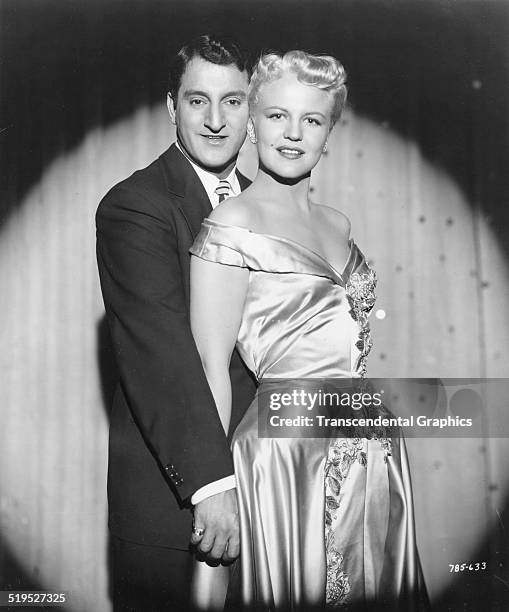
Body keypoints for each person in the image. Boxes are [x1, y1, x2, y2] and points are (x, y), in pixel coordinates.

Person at [190, 51, 429, 610]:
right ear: (252, 122)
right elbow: (210, 371)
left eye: (312, 120)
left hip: (373, 445)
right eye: (277, 116)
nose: (293, 134)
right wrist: (214, 487)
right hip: (286, 452)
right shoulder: (230, 226)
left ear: (329, 133)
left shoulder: (338, 223)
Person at [96, 34, 256, 611]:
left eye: (232, 101)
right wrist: (211, 486)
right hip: (183, 503)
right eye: (197, 101)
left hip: (269, 492)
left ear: (252, 109)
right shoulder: (136, 205)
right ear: (171, 108)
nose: (215, 120)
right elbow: (158, 353)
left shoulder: (268, 209)